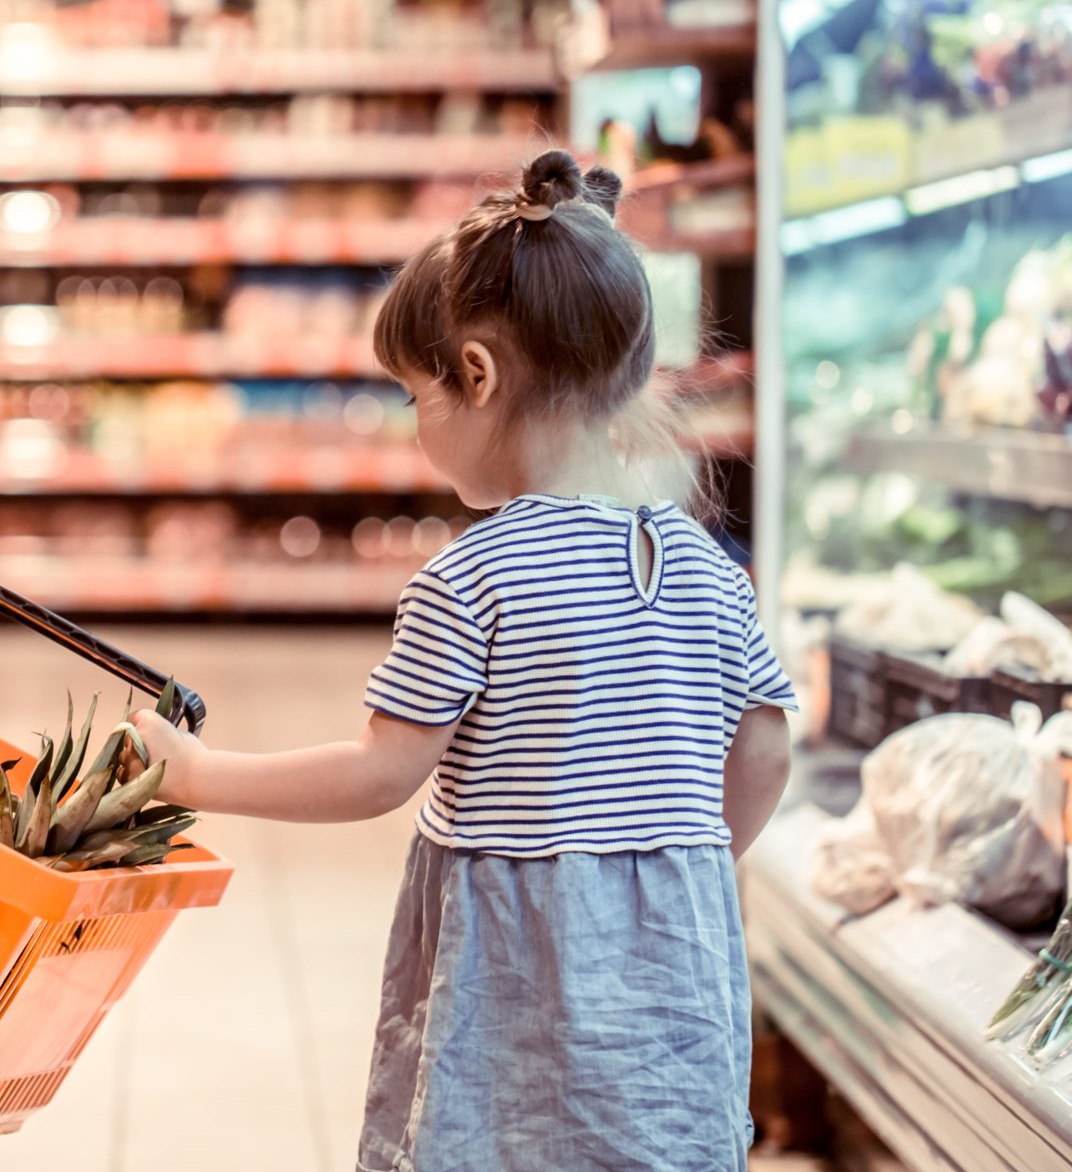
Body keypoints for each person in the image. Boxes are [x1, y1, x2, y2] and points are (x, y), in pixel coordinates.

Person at [132, 150, 795, 1172]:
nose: (415, 428)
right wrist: (679, 865)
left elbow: (380, 772)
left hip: (519, 973)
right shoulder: (705, 566)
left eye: (413, 399)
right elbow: (762, 747)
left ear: (474, 376)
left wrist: (198, 777)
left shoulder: (474, 575)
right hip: (674, 967)